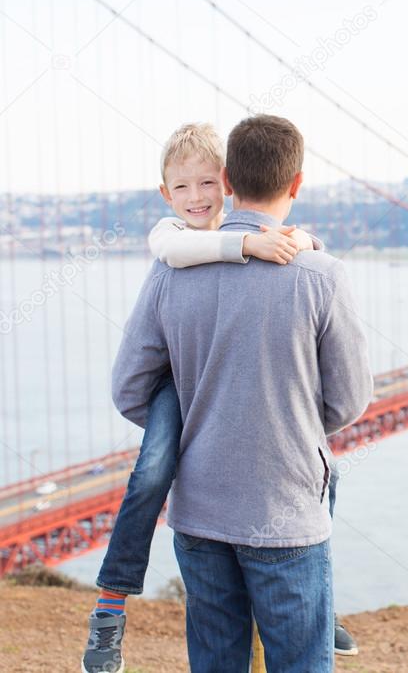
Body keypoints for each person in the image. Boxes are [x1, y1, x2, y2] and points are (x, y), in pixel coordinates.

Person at [94, 116, 372, 673]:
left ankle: (110, 607)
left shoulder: (169, 273)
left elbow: (129, 390)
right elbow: (347, 404)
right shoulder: (321, 273)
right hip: (288, 512)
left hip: (200, 515)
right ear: (296, 183)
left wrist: (195, 415)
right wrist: (282, 417)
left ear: (224, 178)